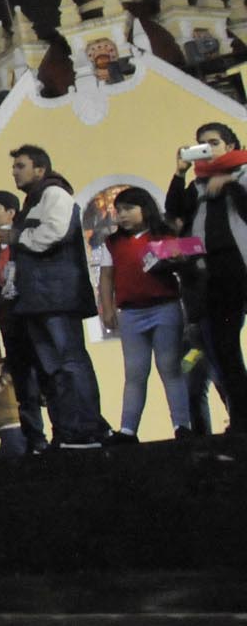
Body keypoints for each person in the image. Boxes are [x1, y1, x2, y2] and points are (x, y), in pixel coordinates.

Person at [7, 145, 110, 448]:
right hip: (39, 299)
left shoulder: (54, 195)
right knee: (53, 368)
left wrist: (18, 237)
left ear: (40, 169)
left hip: (57, 297)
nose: (15, 172)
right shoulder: (35, 199)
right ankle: (68, 430)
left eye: (20, 166)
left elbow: (53, 233)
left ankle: (89, 427)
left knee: (70, 362)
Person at [98, 187, 193, 441]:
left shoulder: (163, 234)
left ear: (145, 209)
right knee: (135, 372)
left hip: (165, 307)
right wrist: (107, 308)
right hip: (130, 313)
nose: (122, 215)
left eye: (129, 209)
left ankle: (182, 426)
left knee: (169, 367)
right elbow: (106, 277)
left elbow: (186, 257)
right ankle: (128, 429)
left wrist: (176, 256)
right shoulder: (113, 242)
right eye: (118, 210)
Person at [173, 140, 247, 434]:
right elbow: (176, 213)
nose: (207, 149)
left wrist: (231, 184)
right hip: (214, 277)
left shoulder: (242, 175)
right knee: (225, 349)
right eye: (201, 142)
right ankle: (241, 416)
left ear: (230, 145)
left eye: (213, 142)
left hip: (241, 267)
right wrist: (179, 174)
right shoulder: (199, 186)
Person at [0, 192, 48, 455]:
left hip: (31, 319)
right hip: (11, 324)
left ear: (11, 213)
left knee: (46, 378)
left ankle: (64, 431)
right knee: (23, 386)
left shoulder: (24, 243)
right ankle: (35, 438)